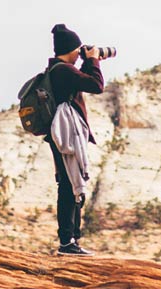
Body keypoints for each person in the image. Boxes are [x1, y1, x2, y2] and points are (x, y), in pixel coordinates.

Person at [45, 24, 103, 256]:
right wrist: (94, 60)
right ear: (71, 48)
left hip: (62, 132)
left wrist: (88, 61)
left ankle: (71, 241)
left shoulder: (58, 70)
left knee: (70, 184)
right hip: (66, 132)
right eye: (78, 50)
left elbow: (83, 80)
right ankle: (67, 242)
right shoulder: (63, 71)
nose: (81, 53)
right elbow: (96, 85)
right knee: (69, 185)